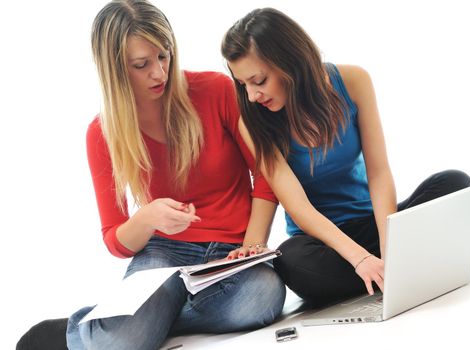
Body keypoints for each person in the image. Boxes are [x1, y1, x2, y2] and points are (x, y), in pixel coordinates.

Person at [17, 1, 286, 349]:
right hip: (163, 253)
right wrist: (147, 218)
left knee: (264, 297)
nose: (159, 73)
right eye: (141, 65)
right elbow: (116, 239)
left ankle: (137, 323)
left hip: (231, 252)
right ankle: (123, 327)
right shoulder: (103, 133)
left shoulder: (216, 91)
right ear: (115, 70)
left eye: (164, 56)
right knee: (120, 342)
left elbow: (267, 175)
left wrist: (251, 245)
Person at [221, 7, 470, 305]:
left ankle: (394, 266)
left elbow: (379, 173)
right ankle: (422, 264)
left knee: (454, 182)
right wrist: (360, 259)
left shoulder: (353, 80)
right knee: (291, 261)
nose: (253, 96)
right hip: (322, 243)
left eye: (259, 81)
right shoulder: (253, 120)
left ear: (289, 61)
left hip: (370, 221)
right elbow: (297, 206)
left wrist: (391, 245)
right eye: (243, 85)